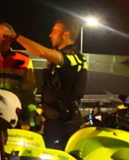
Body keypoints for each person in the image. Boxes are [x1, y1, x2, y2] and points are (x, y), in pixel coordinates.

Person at [14, 20, 88, 149]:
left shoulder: (73, 56)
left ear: (65, 35)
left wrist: (15, 36)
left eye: (55, 32)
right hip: (55, 118)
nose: (50, 35)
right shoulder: (61, 59)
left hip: (64, 121)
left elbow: (41, 52)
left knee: (57, 159)